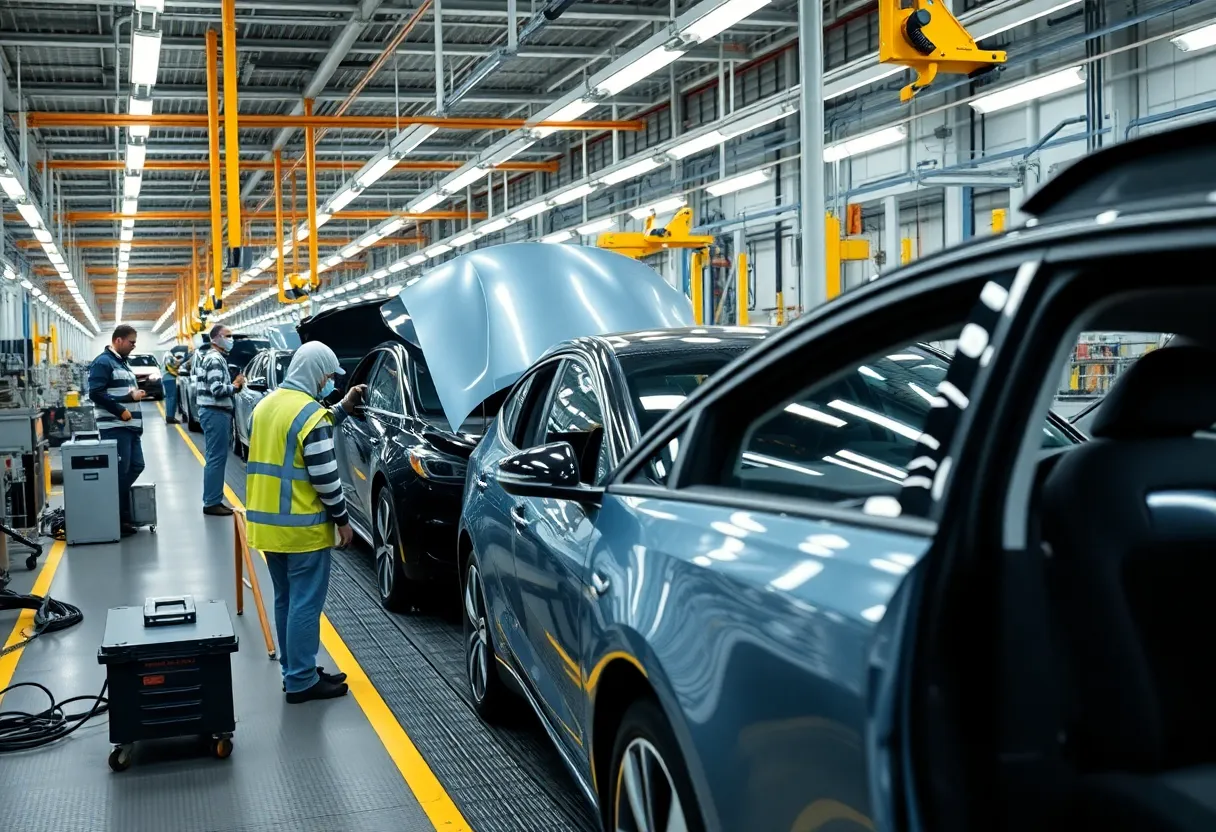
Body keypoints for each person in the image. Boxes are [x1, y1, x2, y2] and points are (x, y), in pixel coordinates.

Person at [246, 341, 365, 703]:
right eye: (328, 377)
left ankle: (295, 669)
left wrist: (343, 407)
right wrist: (343, 520)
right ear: (315, 373)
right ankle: (301, 681)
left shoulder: (265, 406)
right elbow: (326, 477)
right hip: (302, 528)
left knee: (286, 599)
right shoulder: (309, 414)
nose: (328, 383)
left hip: (267, 526)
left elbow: (306, 430)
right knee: (306, 604)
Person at [88, 324, 147, 536]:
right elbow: (95, 393)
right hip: (115, 426)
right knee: (121, 471)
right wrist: (121, 407)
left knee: (136, 466)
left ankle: (114, 509)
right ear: (118, 340)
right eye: (131, 342)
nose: (134, 345)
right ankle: (117, 517)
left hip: (129, 428)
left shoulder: (121, 362)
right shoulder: (103, 362)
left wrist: (132, 395)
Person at [195, 324, 245, 516]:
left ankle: (213, 499)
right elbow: (217, 389)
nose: (231, 339)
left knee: (215, 457)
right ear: (216, 338)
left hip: (214, 413)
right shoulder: (215, 359)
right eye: (228, 336)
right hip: (215, 412)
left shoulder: (214, 358)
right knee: (216, 458)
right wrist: (235, 385)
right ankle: (212, 502)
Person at [161, 348, 184, 425]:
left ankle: (169, 417)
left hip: (167, 377)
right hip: (169, 378)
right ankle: (170, 418)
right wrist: (183, 360)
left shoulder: (168, 355)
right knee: (172, 398)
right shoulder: (169, 355)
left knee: (169, 398)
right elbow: (173, 364)